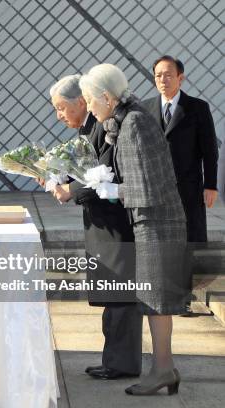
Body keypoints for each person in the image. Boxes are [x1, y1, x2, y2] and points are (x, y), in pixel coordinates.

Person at [79, 63, 188, 396]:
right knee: (154, 302)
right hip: (150, 222)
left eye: (90, 101)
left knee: (156, 302)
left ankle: (162, 370)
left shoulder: (135, 123)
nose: (88, 108)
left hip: (157, 224)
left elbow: (148, 188)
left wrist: (112, 190)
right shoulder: (127, 120)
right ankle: (164, 369)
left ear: (107, 98)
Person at [47, 75, 142, 380]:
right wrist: (57, 178)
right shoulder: (89, 128)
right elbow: (84, 170)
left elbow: (106, 172)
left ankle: (122, 363)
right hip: (102, 223)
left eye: (62, 108)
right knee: (111, 294)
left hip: (116, 225)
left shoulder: (104, 125)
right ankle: (113, 359)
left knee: (120, 295)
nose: (59, 115)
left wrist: (70, 191)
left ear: (82, 101)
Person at [142, 56, 219, 313]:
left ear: (180, 77)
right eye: (158, 75)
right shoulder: (146, 108)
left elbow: (210, 150)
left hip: (187, 188)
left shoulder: (197, 108)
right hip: (156, 189)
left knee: (185, 242)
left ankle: (182, 298)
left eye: (168, 75)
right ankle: (163, 294)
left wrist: (211, 185)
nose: (162, 80)